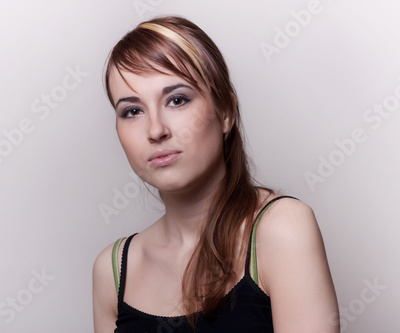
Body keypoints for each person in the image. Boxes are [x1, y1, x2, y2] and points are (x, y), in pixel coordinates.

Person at [93, 16, 339, 332]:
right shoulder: (112, 270)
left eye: (177, 100)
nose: (156, 129)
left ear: (226, 112)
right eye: (132, 111)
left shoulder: (281, 229)